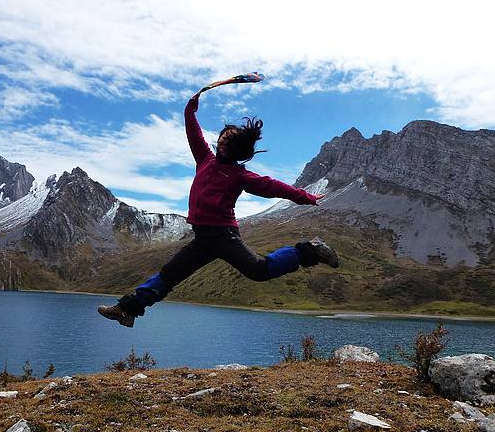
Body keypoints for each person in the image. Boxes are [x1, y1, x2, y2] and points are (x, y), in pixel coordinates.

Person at [98, 94, 339, 327]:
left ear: (239, 148)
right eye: (223, 136)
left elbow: (272, 186)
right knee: (168, 275)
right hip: (202, 239)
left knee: (258, 270)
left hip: (224, 236)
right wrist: (190, 108)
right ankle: (127, 310)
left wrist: (305, 197)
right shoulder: (204, 158)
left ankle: (310, 251)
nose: (223, 140)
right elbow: (193, 132)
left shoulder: (240, 175)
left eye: (230, 139)